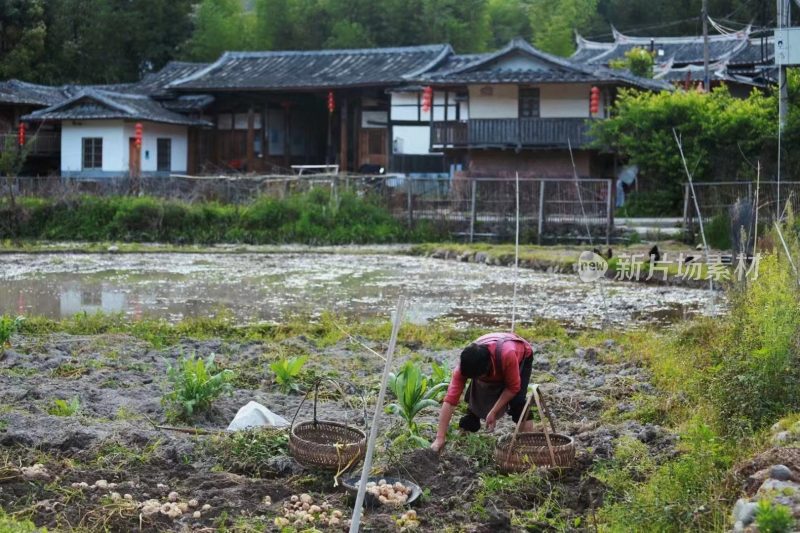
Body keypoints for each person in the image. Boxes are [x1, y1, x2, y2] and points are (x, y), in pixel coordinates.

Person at [431, 332, 534, 453]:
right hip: (493, 357)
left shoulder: (507, 355)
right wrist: (440, 438)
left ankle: (527, 446)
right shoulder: (465, 366)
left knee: (518, 402)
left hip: (521, 355)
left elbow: (512, 388)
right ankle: (466, 431)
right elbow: (450, 400)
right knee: (473, 400)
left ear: (487, 368)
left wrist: (493, 412)